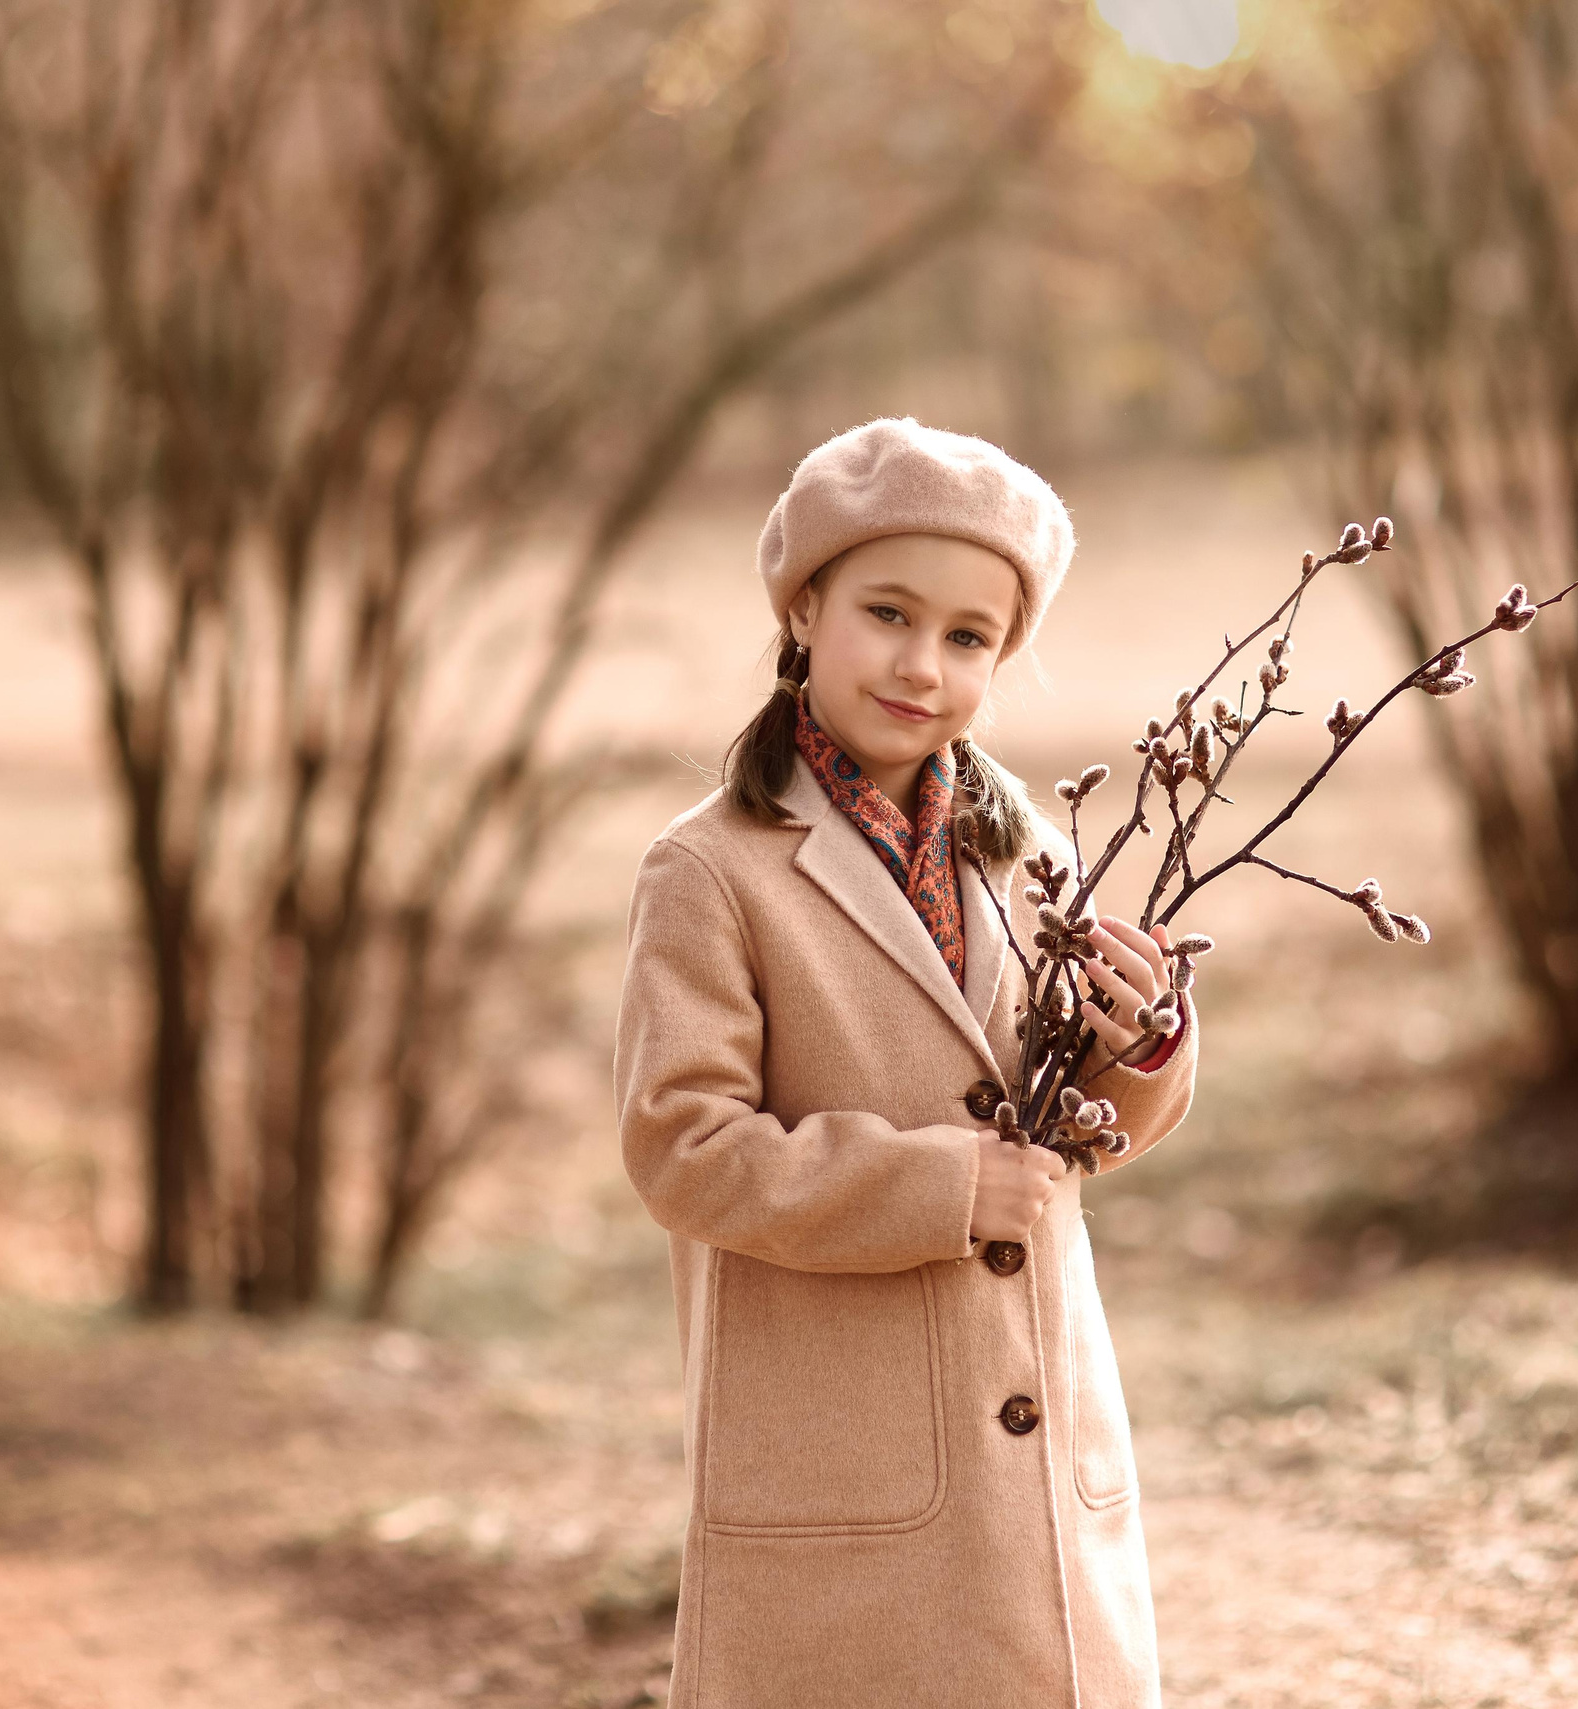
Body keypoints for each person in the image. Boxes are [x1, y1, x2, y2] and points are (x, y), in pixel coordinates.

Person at [612, 416, 1202, 1707]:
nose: (921, 664)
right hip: (845, 1495)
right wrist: (941, 1187)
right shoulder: (709, 872)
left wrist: (1143, 1041)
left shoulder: (1033, 857)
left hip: (1036, 1498)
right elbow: (683, 1148)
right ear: (806, 604)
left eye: (969, 636)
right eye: (888, 611)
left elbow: (1079, 1133)